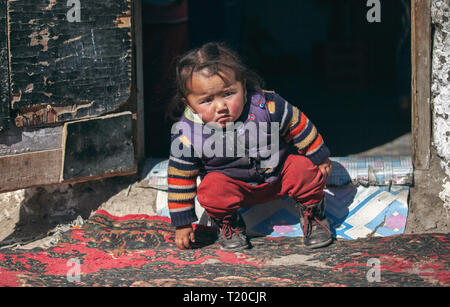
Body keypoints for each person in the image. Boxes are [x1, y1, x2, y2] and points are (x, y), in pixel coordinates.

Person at [167, 42, 333, 251]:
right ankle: (230, 225)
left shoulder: (267, 106)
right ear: (189, 104)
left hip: (279, 175)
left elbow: (296, 123)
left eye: (228, 93)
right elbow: (180, 178)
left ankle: (314, 217)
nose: (221, 107)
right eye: (207, 100)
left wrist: (318, 154)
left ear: (243, 87)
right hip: (234, 188)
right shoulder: (188, 135)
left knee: (303, 168)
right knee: (211, 189)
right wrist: (182, 223)